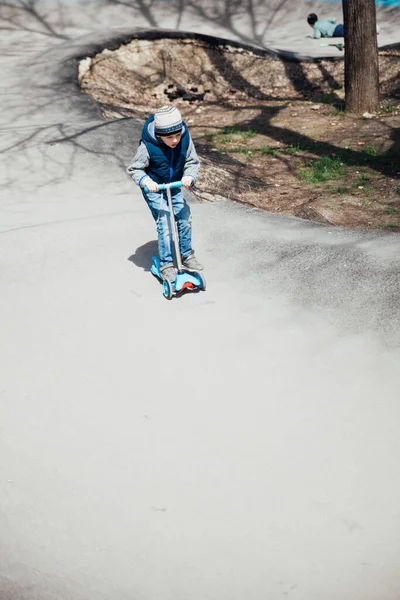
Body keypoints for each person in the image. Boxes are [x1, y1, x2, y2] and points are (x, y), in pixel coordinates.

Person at [127, 105, 203, 283]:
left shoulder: (184, 138)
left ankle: (186, 255)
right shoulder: (148, 146)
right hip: (155, 189)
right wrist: (147, 182)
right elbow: (135, 169)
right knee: (166, 222)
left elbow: (192, 161)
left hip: (174, 185)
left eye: (178, 135)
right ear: (160, 136)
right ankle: (166, 264)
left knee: (184, 216)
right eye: (170, 137)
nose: (175, 140)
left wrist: (189, 176)